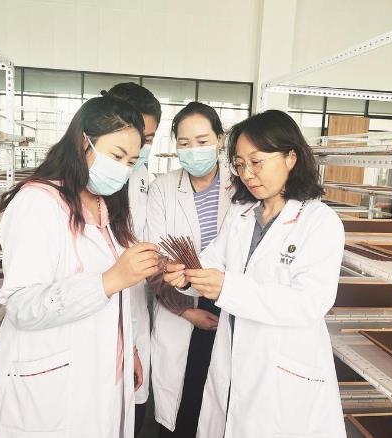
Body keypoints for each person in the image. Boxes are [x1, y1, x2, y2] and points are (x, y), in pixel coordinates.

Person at [0, 95, 160, 438]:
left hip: (103, 370)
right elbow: (22, 306)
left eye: (131, 161)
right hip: (51, 383)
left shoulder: (104, 204)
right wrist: (108, 281)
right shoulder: (37, 203)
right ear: (83, 141)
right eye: (116, 155)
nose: (123, 169)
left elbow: (116, 298)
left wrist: (126, 348)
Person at [164, 110, 346, 438]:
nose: (247, 174)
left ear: (291, 157)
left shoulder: (320, 221)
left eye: (257, 162)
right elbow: (212, 262)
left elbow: (310, 302)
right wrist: (186, 276)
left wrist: (227, 288)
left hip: (282, 370)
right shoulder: (242, 213)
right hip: (233, 357)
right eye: (239, 164)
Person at [146, 102, 234, 437]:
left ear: (219, 139)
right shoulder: (163, 188)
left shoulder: (240, 186)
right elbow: (155, 259)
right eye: (184, 143)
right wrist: (186, 311)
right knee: (182, 407)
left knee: (220, 405)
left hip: (230, 304)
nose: (193, 150)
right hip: (179, 304)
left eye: (202, 141)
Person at [105, 82, 162, 437]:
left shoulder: (142, 178)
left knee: (133, 415)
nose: (139, 148)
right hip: (98, 316)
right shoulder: (85, 185)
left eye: (149, 139)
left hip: (134, 311)